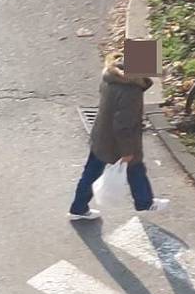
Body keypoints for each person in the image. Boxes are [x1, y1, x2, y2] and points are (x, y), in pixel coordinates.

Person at [69, 46, 168, 220]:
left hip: (101, 134)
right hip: (116, 142)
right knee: (135, 168)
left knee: (92, 171)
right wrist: (127, 151)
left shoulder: (111, 76)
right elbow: (123, 125)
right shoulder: (131, 91)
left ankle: (78, 208)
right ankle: (144, 202)